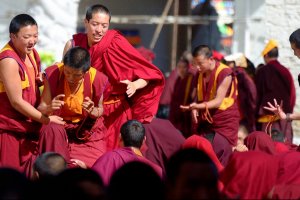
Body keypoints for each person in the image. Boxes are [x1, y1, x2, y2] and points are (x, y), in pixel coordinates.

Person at [63, 4, 165, 151]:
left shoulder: (115, 43)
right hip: (82, 111)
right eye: (95, 24)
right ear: (86, 22)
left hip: (115, 113)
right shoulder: (73, 45)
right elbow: (64, 78)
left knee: (116, 157)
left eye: (104, 26)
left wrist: (135, 85)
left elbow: (148, 75)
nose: (99, 30)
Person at [0, 14, 64, 177]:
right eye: (26, 37)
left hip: (30, 125)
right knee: (11, 180)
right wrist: (46, 119)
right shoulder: (8, 60)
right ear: (13, 36)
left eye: (35, 36)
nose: (32, 41)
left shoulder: (32, 53)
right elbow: (16, 102)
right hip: (11, 129)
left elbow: (30, 84)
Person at [38, 46, 108, 168]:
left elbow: (100, 110)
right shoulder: (54, 73)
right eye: (67, 72)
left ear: (86, 72)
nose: (70, 78)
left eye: (76, 75)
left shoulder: (96, 78)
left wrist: (93, 111)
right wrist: (49, 108)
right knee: (51, 130)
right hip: (60, 128)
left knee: (98, 166)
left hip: (85, 132)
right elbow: (41, 108)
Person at [180, 45, 240, 166]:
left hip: (224, 121)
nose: (197, 67)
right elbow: (198, 96)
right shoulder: (199, 73)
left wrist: (197, 107)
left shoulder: (225, 72)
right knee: (203, 152)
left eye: (200, 63)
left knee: (223, 153)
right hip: (206, 122)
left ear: (211, 59)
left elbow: (218, 101)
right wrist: (194, 109)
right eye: (194, 64)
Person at [92, 120, 163, 186]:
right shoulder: (157, 170)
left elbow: (94, 186)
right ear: (144, 140)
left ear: (120, 137)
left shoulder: (110, 158)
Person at [255, 39, 296, 144]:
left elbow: (257, 95)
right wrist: (288, 111)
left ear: (266, 56)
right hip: (284, 116)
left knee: (267, 146)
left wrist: (255, 113)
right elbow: (292, 94)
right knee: (284, 145)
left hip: (266, 117)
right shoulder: (285, 71)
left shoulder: (262, 71)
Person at [168, 57, 195, 138]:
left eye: (184, 67)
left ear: (188, 68)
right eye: (179, 67)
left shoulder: (191, 79)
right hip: (175, 115)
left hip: (186, 117)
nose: (181, 69)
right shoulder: (178, 80)